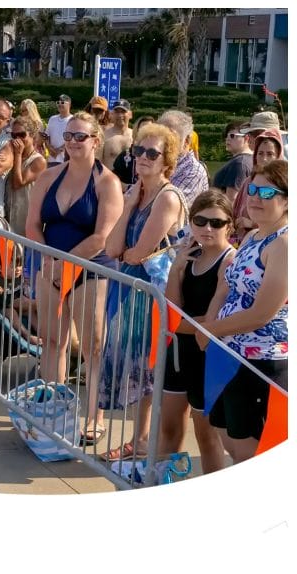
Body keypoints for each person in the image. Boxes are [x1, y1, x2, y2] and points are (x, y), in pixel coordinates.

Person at [25, 111, 124, 446]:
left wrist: (65, 264)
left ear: (96, 140)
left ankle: (95, 416)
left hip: (91, 269)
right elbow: (32, 225)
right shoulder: (49, 176)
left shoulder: (107, 183)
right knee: (53, 341)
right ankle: (52, 410)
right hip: (51, 266)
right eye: (67, 136)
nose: (72, 142)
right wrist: (51, 261)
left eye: (80, 136)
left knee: (93, 348)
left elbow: (101, 237)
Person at [100, 122, 188, 461]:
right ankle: (140, 439)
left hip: (155, 294)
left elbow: (137, 253)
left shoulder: (167, 198)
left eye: (153, 153)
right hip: (131, 288)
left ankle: (143, 441)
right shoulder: (136, 194)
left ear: (167, 160)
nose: (144, 158)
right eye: (139, 151)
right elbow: (112, 248)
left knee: (148, 369)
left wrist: (126, 251)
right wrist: (131, 200)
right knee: (136, 366)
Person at [199, 159, 288, 464]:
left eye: (266, 193)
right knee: (228, 438)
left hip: (262, 362)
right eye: (252, 189)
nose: (254, 198)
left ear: (287, 200)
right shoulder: (252, 236)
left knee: (249, 456)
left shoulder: (285, 245)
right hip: (230, 353)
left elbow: (261, 314)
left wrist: (209, 331)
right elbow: (227, 286)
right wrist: (211, 322)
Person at [159, 190, 234, 475]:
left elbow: (212, 322)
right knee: (169, 429)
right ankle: (164, 482)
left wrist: (180, 324)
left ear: (230, 225)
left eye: (216, 223)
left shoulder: (229, 262)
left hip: (207, 357)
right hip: (179, 352)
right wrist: (176, 269)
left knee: (207, 436)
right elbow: (170, 312)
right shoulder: (189, 255)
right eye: (200, 221)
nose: (207, 228)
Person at [6, 117, 46, 236]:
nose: (18, 139)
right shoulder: (11, 155)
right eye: (14, 135)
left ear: (32, 135)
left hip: (25, 215)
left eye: (22, 135)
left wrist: (18, 155)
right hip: (9, 210)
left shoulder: (39, 161)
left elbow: (18, 183)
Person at [158, 110, 208, 206]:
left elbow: (167, 207)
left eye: (170, 135)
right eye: (159, 134)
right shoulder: (155, 161)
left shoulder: (193, 172)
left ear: (187, 141)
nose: (162, 140)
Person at [111, 115, 155, 186]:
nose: (146, 133)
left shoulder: (157, 158)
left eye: (150, 129)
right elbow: (113, 180)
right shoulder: (124, 156)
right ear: (136, 132)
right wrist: (130, 189)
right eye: (143, 129)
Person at [102, 99, 133, 170]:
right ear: (111, 114)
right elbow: (97, 163)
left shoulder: (136, 136)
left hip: (132, 181)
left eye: (123, 111)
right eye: (117, 112)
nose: (120, 115)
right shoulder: (104, 136)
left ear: (130, 114)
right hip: (109, 179)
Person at [44, 94, 73, 166]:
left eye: (62, 102)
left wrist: (58, 151)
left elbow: (72, 138)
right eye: (58, 102)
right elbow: (47, 136)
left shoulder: (73, 120)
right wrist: (50, 149)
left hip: (65, 160)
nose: (60, 104)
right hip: (51, 160)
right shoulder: (52, 119)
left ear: (69, 104)